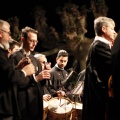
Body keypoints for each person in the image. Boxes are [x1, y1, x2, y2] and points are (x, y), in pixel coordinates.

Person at [10, 26, 51, 120]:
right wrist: (36, 78)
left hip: (35, 103)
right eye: (32, 41)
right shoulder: (14, 57)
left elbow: (41, 85)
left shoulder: (35, 60)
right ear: (23, 39)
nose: (34, 44)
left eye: (36, 41)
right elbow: (14, 82)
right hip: (23, 104)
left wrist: (45, 75)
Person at [0, 20, 36, 120]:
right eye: (8, 33)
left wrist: (17, 68)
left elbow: (5, 74)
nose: (10, 37)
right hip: (4, 109)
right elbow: (8, 77)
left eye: (36, 41)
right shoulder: (7, 55)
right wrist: (24, 72)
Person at [82, 16, 116, 120]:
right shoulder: (99, 46)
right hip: (99, 101)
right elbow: (114, 65)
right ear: (104, 29)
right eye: (112, 29)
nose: (114, 32)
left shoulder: (98, 45)